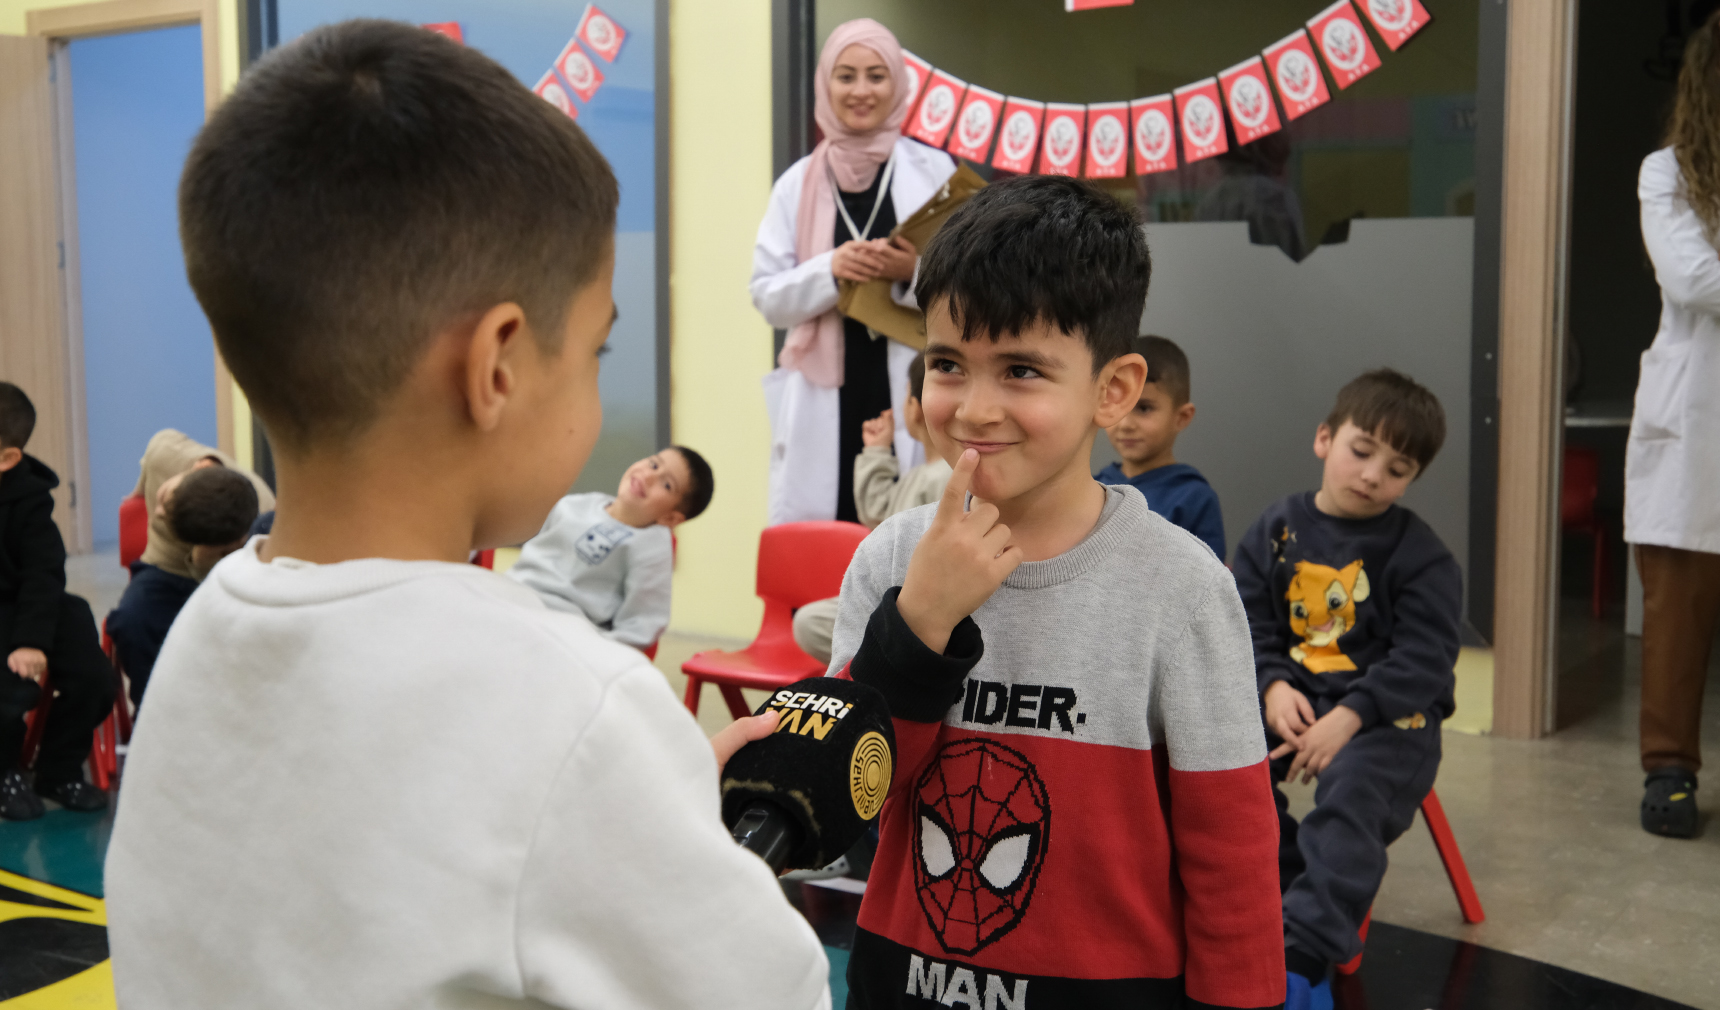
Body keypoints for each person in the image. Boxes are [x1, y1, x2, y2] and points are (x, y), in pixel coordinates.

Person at [104, 22, 829, 1009]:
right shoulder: (575, 708)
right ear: (497, 366)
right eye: (597, 351)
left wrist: (635, 804)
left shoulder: (202, 629)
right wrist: (638, 797)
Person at [826, 176, 1283, 1010]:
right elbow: (849, 803)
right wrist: (919, 622)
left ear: (1113, 391)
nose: (974, 408)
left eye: (1022, 370)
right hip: (901, 982)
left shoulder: (1183, 590)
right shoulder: (889, 558)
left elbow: (1233, 854)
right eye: (947, 364)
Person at [1231, 369, 1460, 1007]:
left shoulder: (1423, 556)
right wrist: (1273, 685)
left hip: (1388, 717)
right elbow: (1245, 621)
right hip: (1292, 698)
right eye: (1362, 451)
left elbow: (1427, 660)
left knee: (1354, 791)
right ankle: (1279, 888)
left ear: (1411, 479)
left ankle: (1303, 952)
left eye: (1397, 468)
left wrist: (1354, 714)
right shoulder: (1275, 529)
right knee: (1222, 765)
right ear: (1325, 439)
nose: (1372, 475)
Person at [753, 18, 956, 526]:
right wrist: (830, 269)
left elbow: (971, 284)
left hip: (911, 376)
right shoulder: (795, 184)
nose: (861, 90)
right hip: (828, 386)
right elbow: (767, 296)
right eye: (846, 76)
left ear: (898, 85)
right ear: (826, 84)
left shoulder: (935, 172)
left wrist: (914, 271)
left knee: (912, 530)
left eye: (876, 76)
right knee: (831, 529)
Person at [1629, 10, 1720, 839]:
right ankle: (1670, 769)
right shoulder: (1670, 174)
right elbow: (1694, 280)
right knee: (1678, 609)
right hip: (1697, 421)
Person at [0, 382, 115, 821]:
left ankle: (58, 770)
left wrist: (31, 640)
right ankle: (4, 772)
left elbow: (43, 573)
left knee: (94, 680)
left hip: (35, 600)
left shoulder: (30, 502)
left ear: (8, 459)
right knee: (8, 692)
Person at [794, 355, 951, 666]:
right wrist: (877, 450)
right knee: (811, 620)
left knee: (812, 622)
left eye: (905, 397)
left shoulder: (945, 478)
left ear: (915, 408)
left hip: (912, 605)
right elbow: (878, 514)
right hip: (893, 599)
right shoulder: (922, 474)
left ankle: (891, 668)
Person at [108, 438, 267, 706]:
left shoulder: (258, 517)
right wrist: (140, 488)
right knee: (132, 621)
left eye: (164, 512)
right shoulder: (164, 452)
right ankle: (151, 709)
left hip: (224, 571)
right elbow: (151, 461)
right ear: (197, 469)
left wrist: (204, 562)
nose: (157, 514)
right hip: (163, 569)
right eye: (164, 497)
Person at [508, 447, 713, 651]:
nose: (649, 476)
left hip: (563, 630)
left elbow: (641, 624)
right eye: (654, 464)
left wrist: (598, 652)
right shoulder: (575, 504)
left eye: (666, 484)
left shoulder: (652, 547)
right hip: (513, 596)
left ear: (670, 518)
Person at [1096, 335, 1226, 559]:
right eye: (1118, 404)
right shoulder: (1095, 486)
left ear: (1182, 417)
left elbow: (1208, 576)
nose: (1126, 424)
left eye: (1144, 408)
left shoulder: (1194, 498)